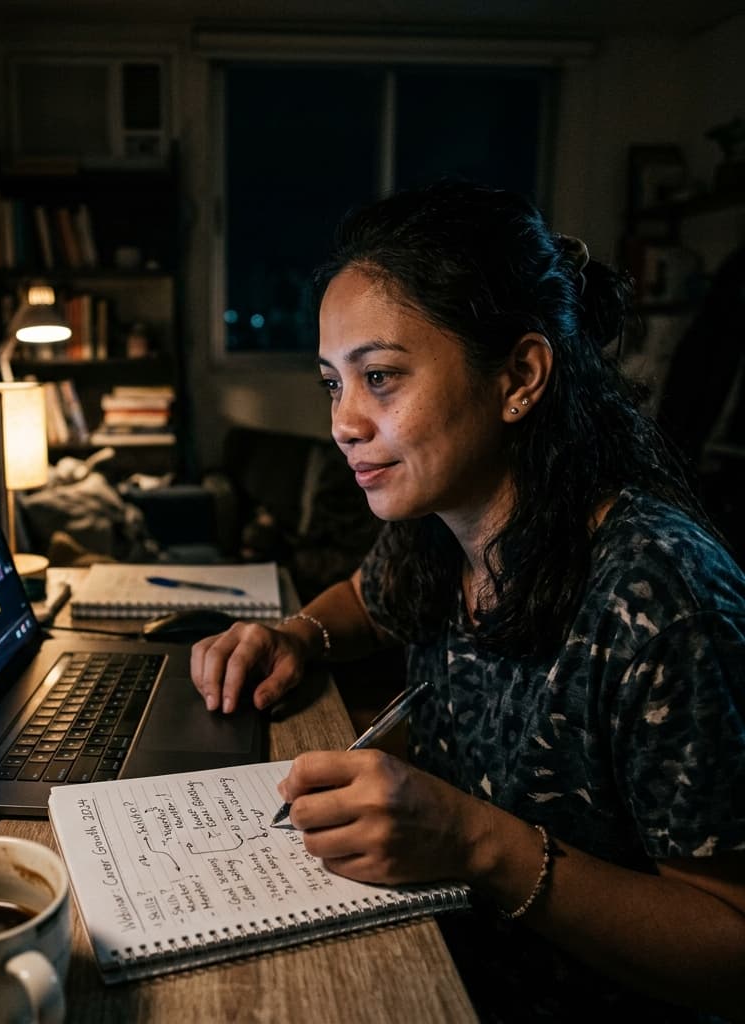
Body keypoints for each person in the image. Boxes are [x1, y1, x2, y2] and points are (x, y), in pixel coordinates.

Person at [189, 181, 745, 1022]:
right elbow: (367, 601)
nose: (344, 422)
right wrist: (299, 634)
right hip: (433, 950)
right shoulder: (439, 518)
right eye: (332, 385)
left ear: (519, 376)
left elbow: (729, 950)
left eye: (379, 377)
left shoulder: (661, 594)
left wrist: (479, 843)